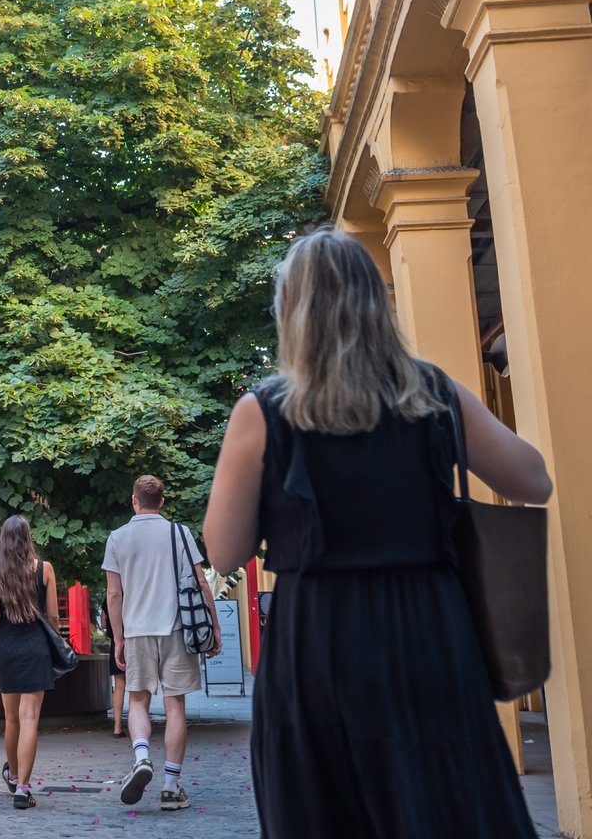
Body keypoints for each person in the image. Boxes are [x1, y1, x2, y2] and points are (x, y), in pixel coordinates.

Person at [203, 226, 553, 839]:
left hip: (318, 641)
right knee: (444, 806)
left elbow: (225, 550)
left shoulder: (264, 411)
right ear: (376, 305)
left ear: (293, 312)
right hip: (428, 630)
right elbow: (533, 480)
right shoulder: (433, 392)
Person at [103, 476, 221, 812]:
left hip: (137, 631)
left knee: (137, 701)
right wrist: (213, 626)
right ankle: (171, 787)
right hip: (177, 630)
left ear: (134, 501)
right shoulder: (179, 534)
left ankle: (141, 757)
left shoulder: (117, 538)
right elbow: (201, 582)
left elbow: (114, 593)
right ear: (162, 502)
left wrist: (118, 638)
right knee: (175, 706)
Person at [0, 515, 59, 811]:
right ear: (29, 538)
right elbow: (52, 617)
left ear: (2, 540)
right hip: (36, 648)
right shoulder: (45, 569)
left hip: (7, 651)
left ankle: (13, 776)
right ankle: (23, 789)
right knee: (30, 719)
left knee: (12, 719)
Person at [98, 601, 126, 738]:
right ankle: (138, 727)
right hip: (134, 642)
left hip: (116, 644)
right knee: (137, 688)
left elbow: (103, 624)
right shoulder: (132, 592)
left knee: (119, 687)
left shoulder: (107, 600)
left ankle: (117, 727)